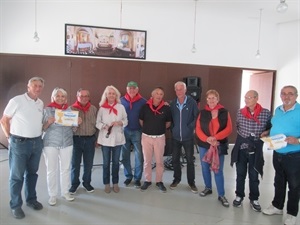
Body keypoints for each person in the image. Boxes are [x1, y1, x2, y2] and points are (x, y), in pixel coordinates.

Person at [0, 77, 45, 219]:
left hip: (36, 143)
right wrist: (9, 138)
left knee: (32, 173)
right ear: (28, 87)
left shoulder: (40, 103)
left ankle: (31, 199)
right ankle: (15, 205)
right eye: (35, 86)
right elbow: (4, 120)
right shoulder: (16, 100)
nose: (37, 88)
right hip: (19, 143)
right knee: (17, 176)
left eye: (40, 86)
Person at [262, 85, 300, 225]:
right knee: (279, 181)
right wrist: (268, 132)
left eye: (290, 94)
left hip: (294, 155)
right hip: (278, 152)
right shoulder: (278, 110)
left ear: (296, 96)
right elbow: (275, 125)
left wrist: (298, 140)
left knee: (294, 185)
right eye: (283, 94)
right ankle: (277, 206)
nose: (286, 96)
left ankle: (291, 213)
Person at [231, 90, 271, 212]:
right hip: (242, 148)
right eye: (245, 97)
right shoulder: (240, 112)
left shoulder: (266, 113)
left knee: (254, 175)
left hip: (255, 148)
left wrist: (266, 132)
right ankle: (239, 195)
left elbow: (269, 127)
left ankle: (254, 198)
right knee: (240, 173)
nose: (247, 99)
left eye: (249, 97)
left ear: (256, 98)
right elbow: (238, 126)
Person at [42, 87, 82, 206]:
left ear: (66, 98)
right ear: (53, 97)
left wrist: (77, 123)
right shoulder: (47, 110)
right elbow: (42, 128)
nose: (60, 98)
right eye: (57, 96)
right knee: (51, 170)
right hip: (51, 144)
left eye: (63, 96)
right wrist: (48, 122)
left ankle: (65, 192)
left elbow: (73, 129)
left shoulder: (69, 110)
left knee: (65, 169)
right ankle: (52, 195)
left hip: (67, 143)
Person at [195, 89, 232, 207]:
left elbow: (229, 129)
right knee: (205, 167)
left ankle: (221, 195)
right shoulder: (202, 112)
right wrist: (207, 139)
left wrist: (215, 138)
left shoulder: (224, 112)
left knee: (218, 170)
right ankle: (208, 188)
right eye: (209, 98)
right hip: (204, 144)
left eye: (213, 98)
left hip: (218, 144)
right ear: (206, 99)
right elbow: (198, 128)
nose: (211, 100)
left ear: (218, 99)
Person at [139, 87, 172, 192]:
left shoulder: (166, 108)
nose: (159, 95)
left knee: (159, 161)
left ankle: (159, 181)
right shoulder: (145, 107)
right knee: (147, 161)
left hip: (159, 138)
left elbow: (168, 123)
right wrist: (149, 129)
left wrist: (158, 129)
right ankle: (147, 180)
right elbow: (141, 121)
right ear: (152, 95)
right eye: (157, 93)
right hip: (146, 138)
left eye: (161, 94)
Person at [96, 85, 128, 193]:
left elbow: (126, 120)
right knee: (106, 163)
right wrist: (104, 126)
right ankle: (106, 183)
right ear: (106, 95)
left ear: (116, 95)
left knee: (115, 162)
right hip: (106, 139)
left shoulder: (121, 107)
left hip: (117, 139)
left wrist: (120, 123)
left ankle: (115, 182)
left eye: (113, 93)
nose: (111, 95)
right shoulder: (102, 108)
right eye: (109, 93)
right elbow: (97, 123)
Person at [169, 81, 199, 193]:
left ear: (185, 90)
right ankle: (176, 179)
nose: (179, 91)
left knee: (190, 160)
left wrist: (189, 127)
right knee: (175, 159)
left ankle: (191, 182)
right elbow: (170, 118)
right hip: (176, 137)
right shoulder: (173, 103)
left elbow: (197, 117)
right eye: (177, 89)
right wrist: (173, 127)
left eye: (181, 89)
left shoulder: (192, 102)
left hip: (188, 137)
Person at [69, 89, 98, 194]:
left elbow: (96, 125)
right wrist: (75, 124)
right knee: (75, 164)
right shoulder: (71, 109)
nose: (84, 98)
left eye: (86, 96)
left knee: (88, 164)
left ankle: (87, 183)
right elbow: (67, 128)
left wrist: (97, 138)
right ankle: (74, 184)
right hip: (76, 139)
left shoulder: (94, 109)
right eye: (81, 96)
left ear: (89, 97)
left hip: (90, 139)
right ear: (77, 96)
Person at [120, 81, 147, 188]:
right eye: (130, 88)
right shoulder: (121, 101)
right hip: (124, 131)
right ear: (127, 89)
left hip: (138, 131)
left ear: (137, 89)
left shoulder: (143, 101)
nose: (132, 90)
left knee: (139, 156)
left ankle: (137, 178)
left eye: (134, 88)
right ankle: (128, 176)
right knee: (125, 155)